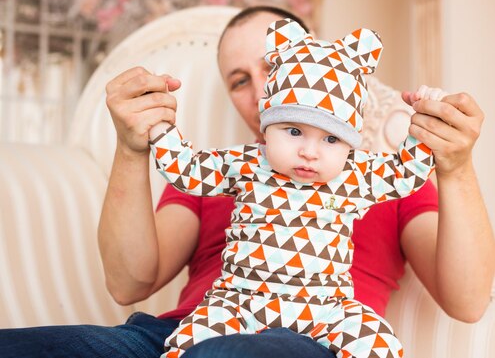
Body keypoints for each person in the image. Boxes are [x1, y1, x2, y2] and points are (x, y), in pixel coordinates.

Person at [0, 6, 495, 358]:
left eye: (271, 66)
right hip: (180, 336)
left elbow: (468, 300)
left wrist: (455, 165)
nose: (261, 91)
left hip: (311, 339)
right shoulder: (220, 172)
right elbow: (130, 282)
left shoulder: (378, 178)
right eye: (239, 80)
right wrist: (133, 147)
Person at [149, 18, 436, 357]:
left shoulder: (356, 172)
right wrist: (157, 126)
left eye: (331, 138)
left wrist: (427, 124)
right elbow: (186, 169)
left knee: (378, 345)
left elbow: (408, 172)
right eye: (294, 131)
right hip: (235, 306)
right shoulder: (244, 163)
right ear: (269, 119)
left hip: (326, 315)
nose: (309, 152)